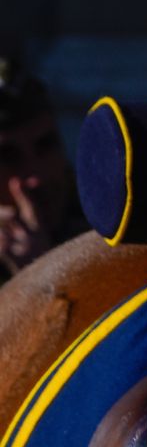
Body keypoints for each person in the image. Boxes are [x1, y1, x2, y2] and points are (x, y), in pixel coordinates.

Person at [0, 57, 77, 283]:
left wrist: (40, 277)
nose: (36, 177)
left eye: (46, 145)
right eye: (8, 157)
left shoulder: (108, 232)